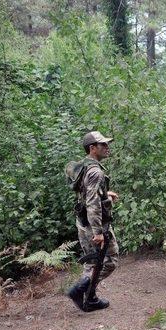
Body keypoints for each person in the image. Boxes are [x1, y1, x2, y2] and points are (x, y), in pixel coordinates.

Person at [65, 131, 120, 312]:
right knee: (110, 260)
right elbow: (92, 203)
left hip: (83, 222)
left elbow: (87, 193)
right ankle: (81, 290)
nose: (107, 147)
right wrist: (98, 232)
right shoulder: (95, 172)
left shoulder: (83, 167)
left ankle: (90, 298)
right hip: (95, 224)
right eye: (103, 145)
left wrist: (106, 195)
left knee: (92, 263)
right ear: (92, 148)